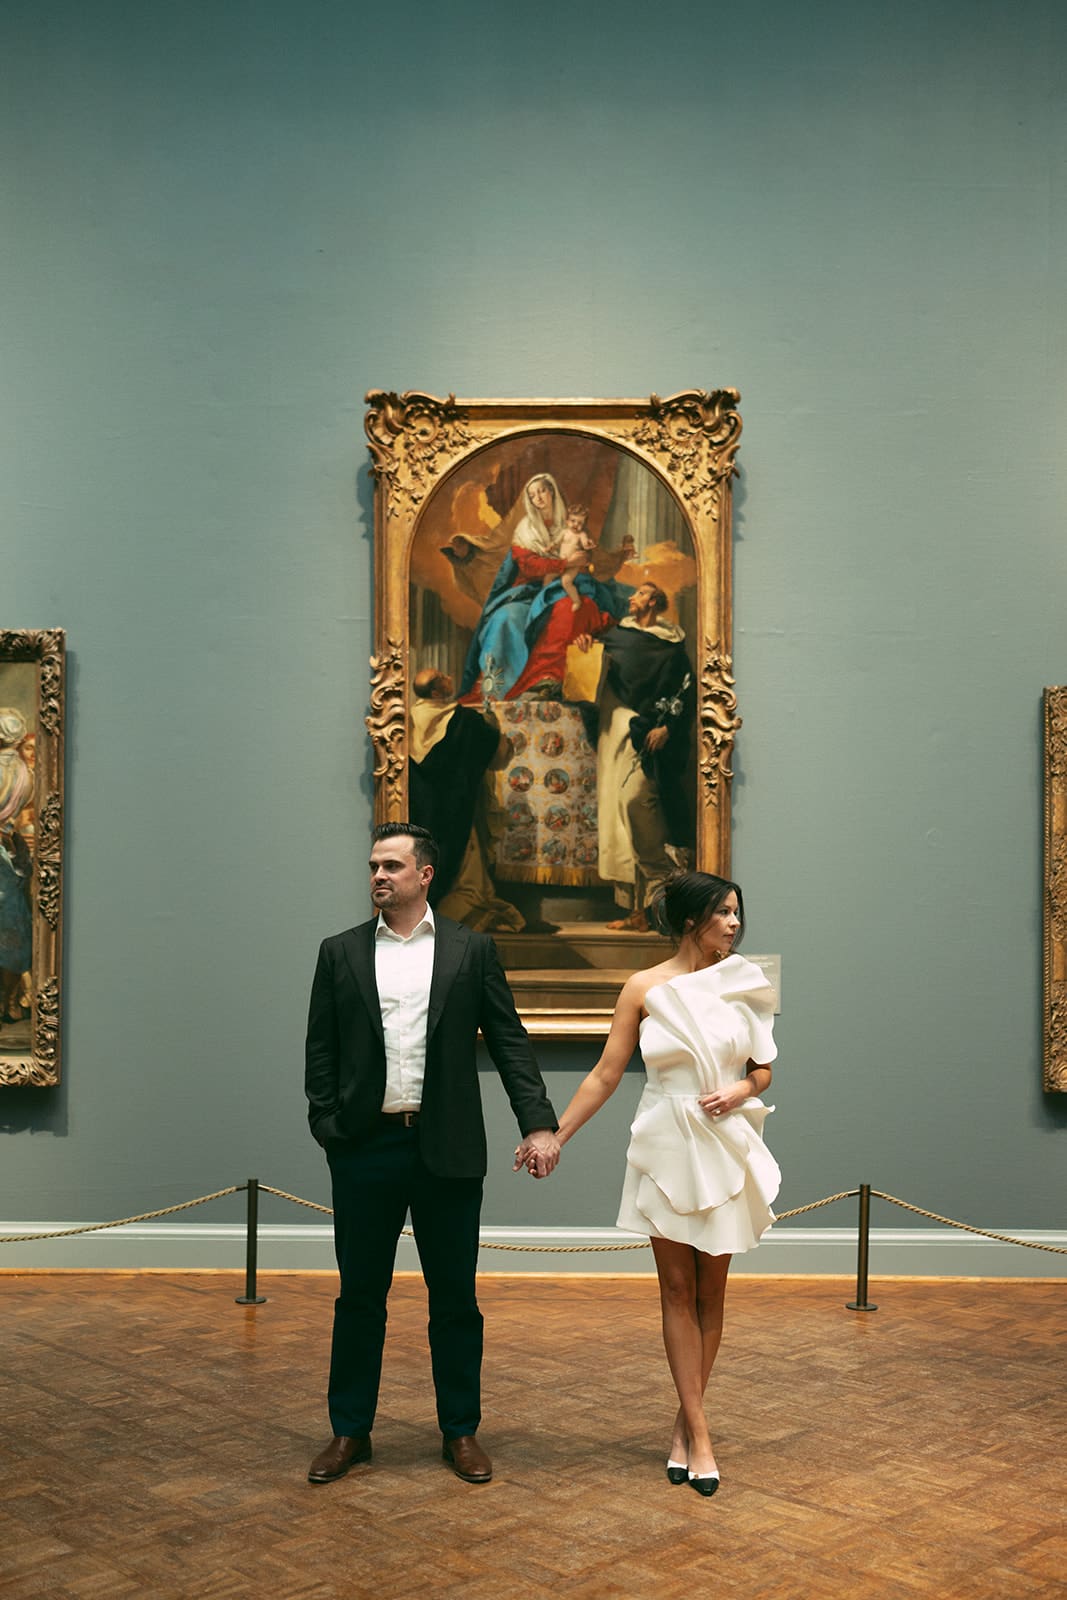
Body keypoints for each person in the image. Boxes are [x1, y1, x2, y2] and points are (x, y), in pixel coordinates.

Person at [304, 822, 560, 1487]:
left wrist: (538, 1126)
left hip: (446, 1148)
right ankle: (349, 1432)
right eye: (371, 866)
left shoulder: (471, 951)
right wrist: (329, 1126)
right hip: (364, 1148)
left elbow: (510, 1044)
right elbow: (321, 1052)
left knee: (454, 1300)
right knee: (360, 1297)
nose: (377, 876)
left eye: (391, 866)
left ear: (425, 875)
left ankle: (461, 1432)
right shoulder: (340, 953)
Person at [532, 871, 779, 1497]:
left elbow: (765, 1070)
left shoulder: (745, 982)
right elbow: (607, 1073)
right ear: (692, 919)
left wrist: (742, 1088)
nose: (733, 923)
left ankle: (683, 1426)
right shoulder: (643, 987)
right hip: (666, 1139)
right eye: (722, 913)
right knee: (675, 1288)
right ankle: (701, 1435)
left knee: (712, 1295)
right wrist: (555, 1134)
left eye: (736, 913)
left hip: (724, 1140)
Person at [581, 583, 695, 931]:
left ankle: (660, 904)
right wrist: (587, 648)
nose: (632, 597)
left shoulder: (672, 644)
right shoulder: (617, 636)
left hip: (652, 736)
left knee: (640, 809)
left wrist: (669, 729)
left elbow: (684, 692)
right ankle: (638, 911)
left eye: (640, 593)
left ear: (654, 602)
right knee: (620, 815)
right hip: (618, 729)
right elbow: (591, 668)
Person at [458, 474, 627, 702]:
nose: (538, 498)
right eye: (532, 495)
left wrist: (581, 560)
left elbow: (589, 557)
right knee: (505, 618)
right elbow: (529, 565)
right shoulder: (526, 530)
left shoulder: (571, 525)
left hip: (561, 589)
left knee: (572, 608)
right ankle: (497, 692)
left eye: (542, 491)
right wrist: (565, 563)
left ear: (552, 492)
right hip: (527, 593)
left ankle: (547, 681)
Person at [407, 667, 522, 930]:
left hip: (421, 813)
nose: (450, 677)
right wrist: (494, 726)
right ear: (437, 691)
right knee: (466, 877)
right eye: (443, 676)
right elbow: (501, 755)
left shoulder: (406, 721)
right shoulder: (466, 721)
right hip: (456, 813)